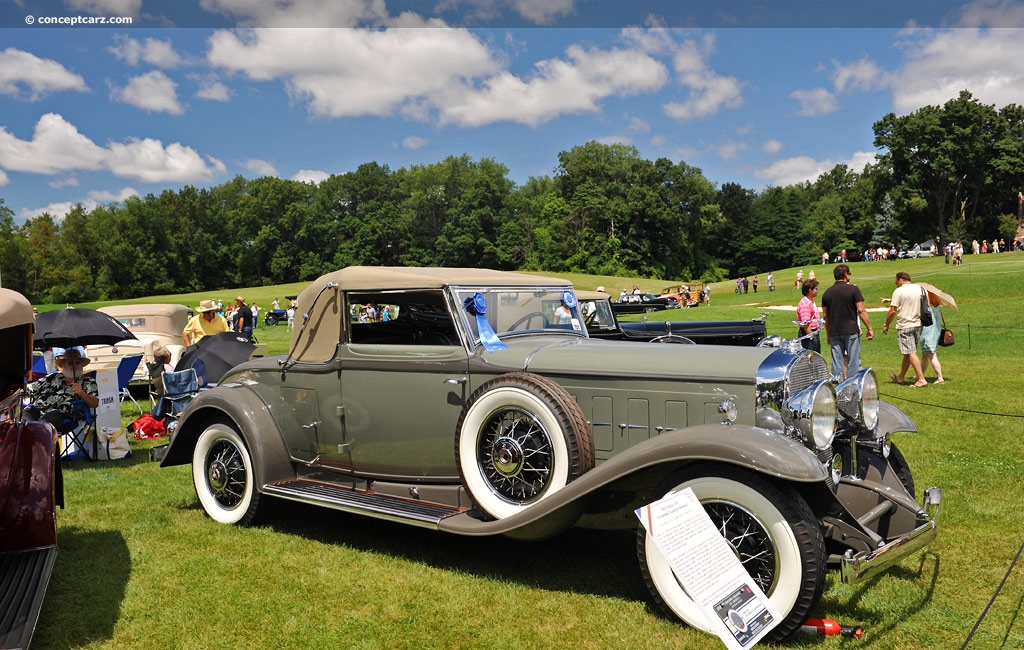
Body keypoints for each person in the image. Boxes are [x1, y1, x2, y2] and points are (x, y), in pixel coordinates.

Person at [821, 264, 873, 380]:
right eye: (849, 273)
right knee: (853, 361)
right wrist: (869, 328)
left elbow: (825, 316)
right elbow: (861, 310)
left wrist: (828, 334)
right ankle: (853, 386)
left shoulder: (827, 293)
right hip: (850, 330)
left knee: (837, 362)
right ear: (845, 275)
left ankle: (837, 387)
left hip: (834, 331)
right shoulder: (853, 289)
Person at [26, 346, 99, 430]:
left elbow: (95, 403)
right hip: (39, 410)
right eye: (70, 363)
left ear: (82, 365)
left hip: (63, 415)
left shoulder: (88, 381)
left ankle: (40, 437)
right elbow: (31, 388)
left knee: (46, 422)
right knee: (25, 415)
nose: (74, 366)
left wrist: (82, 393)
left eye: (77, 363)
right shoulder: (52, 377)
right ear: (63, 365)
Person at [882, 272, 927, 387]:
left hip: (905, 325)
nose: (896, 283)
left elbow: (893, 310)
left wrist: (886, 324)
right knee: (908, 352)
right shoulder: (921, 289)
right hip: (918, 324)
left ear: (901, 279)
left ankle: (921, 379)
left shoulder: (899, 291)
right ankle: (900, 377)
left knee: (911, 352)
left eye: (896, 281)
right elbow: (927, 305)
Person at [918, 292, 945, 384]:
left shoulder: (927, 307)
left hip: (927, 333)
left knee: (932, 355)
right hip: (935, 332)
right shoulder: (936, 306)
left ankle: (940, 377)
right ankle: (920, 375)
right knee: (925, 355)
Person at [796, 279, 821, 353]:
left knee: (816, 357)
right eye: (815, 288)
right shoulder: (805, 304)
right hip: (808, 333)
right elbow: (806, 323)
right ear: (810, 291)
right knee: (811, 357)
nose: (817, 290)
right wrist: (811, 337)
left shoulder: (810, 301)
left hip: (813, 332)